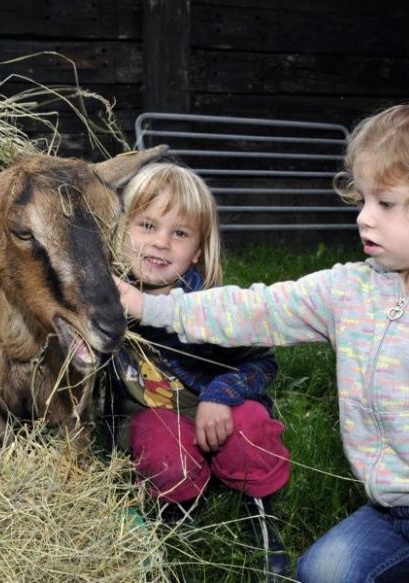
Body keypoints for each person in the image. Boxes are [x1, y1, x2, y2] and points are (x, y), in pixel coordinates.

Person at [114, 100, 409, 583]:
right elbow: (251, 310)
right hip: (391, 511)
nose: (364, 218)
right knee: (322, 571)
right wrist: (149, 307)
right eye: (363, 199)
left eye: (384, 204)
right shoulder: (350, 290)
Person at [104, 162, 292, 577]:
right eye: (147, 225)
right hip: (155, 414)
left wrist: (220, 394)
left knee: (251, 431)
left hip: (218, 409)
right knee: (163, 452)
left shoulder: (211, 308)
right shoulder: (106, 298)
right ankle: (177, 520)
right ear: (118, 232)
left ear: (199, 251)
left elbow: (263, 361)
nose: (160, 243)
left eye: (180, 233)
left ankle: (261, 519)